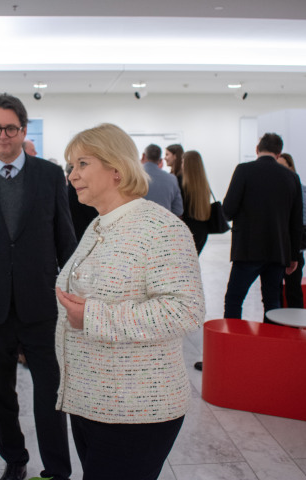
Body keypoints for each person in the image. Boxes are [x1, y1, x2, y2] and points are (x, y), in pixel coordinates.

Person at [55, 123, 205, 480]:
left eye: (82, 164)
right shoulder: (98, 225)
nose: (72, 175)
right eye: (71, 166)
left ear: (116, 170)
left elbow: (185, 310)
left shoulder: (161, 228)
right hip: (93, 402)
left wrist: (92, 317)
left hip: (136, 410)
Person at [0, 93, 76, 480]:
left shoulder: (49, 175)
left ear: (23, 130)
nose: (2, 136)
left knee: (51, 393)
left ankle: (57, 468)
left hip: (41, 303)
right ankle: (15, 459)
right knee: (0, 394)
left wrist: (72, 294)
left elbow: (65, 240)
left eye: (10, 128)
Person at [223, 133, 302, 322]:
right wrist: (294, 256)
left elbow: (228, 210)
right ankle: (270, 344)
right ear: (279, 152)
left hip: (248, 250)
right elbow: (296, 221)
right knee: (272, 302)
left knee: (234, 299)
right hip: (278, 251)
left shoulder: (243, 170)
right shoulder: (291, 177)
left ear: (257, 149)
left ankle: (232, 343)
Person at [277, 153, 306, 308]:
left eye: (283, 166)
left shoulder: (298, 186)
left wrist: (285, 222)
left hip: (293, 249)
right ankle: (275, 330)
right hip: (276, 249)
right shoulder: (273, 189)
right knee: (274, 292)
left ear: (290, 168)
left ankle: (295, 330)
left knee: (293, 292)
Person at [180, 150, 212, 254]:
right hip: (202, 231)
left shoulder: (182, 184)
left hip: (187, 230)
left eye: (183, 162)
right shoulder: (204, 185)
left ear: (187, 164)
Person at [141, 144, 183, 216]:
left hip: (137, 224)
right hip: (163, 224)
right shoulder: (172, 179)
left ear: (143, 156)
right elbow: (178, 210)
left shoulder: (132, 177)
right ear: (160, 160)